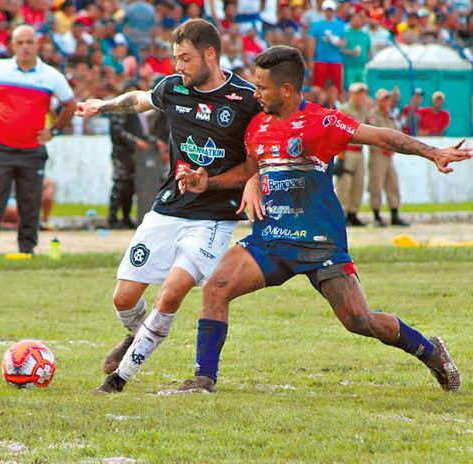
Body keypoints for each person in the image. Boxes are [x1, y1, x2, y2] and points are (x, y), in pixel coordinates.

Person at [171, 45, 468, 394]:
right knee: (216, 287)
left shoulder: (321, 121)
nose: (256, 93)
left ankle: (430, 350)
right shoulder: (256, 126)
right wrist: (210, 183)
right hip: (271, 238)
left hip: (318, 240)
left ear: (286, 90)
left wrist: (432, 152)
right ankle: (204, 380)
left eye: (262, 87)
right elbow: (250, 171)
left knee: (359, 320)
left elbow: (382, 136)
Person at [75, 18, 262, 394]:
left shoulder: (245, 99)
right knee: (124, 298)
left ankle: (118, 380)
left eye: (186, 58)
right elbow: (139, 100)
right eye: (176, 58)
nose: (178, 66)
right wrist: (103, 105)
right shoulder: (173, 88)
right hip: (168, 208)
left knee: (170, 293)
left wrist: (220, 182)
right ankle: (138, 335)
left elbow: (254, 162)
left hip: (215, 216)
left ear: (211, 54)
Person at [0, 25, 76, 255]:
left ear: (37, 45)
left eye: (29, 42)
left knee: (30, 202)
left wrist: (52, 131)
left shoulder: (51, 76)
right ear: (12, 45)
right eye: (20, 43)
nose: (25, 47)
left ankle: (27, 249)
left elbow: (71, 105)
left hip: (32, 149)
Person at [107, 80, 158, 230]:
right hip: (121, 153)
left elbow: (142, 134)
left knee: (130, 186)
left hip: (133, 155)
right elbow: (118, 132)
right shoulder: (119, 109)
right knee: (120, 184)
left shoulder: (137, 112)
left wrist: (155, 142)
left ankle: (126, 218)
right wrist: (136, 142)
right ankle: (112, 218)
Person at [368, 89, 409, 227]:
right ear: (378, 101)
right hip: (378, 155)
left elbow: (396, 134)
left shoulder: (389, 117)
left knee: (393, 183)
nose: (386, 102)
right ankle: (376, 215)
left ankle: (395, 213)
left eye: (388, 99)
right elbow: (374, 135)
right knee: (376, 184)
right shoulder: (373, 116)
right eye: (383, 99)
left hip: (389, 156)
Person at [335, 82, 370, 226]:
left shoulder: (364, 110)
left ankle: (353, 213)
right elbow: (339, 132)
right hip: (347, 150)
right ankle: (341, 214)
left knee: (358, 183)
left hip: (359, 151)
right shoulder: (344, 109)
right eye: (357, 93)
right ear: (351, 94)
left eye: (363, 93)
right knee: (344, 183)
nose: (360, 96)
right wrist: (340, 156)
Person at [308, 0, 345, 92]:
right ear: (324, 11)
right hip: (321, 59)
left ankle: (336, 105)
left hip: (336, 60)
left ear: (334, 11)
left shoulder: (339, 24)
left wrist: (337, 42)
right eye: (327, 10)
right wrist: (311, 60)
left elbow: (344, 42)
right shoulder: (317, 25)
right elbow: (312, 43)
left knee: (337, 87)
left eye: (331, 10)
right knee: (318, 86)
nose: (329, 12)